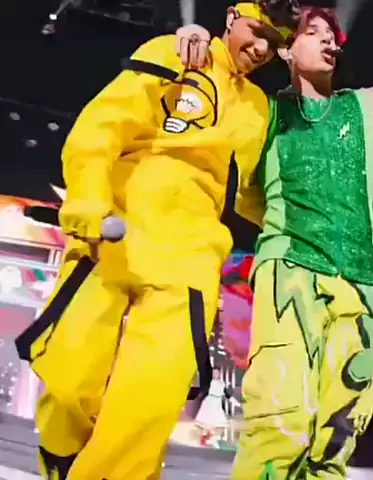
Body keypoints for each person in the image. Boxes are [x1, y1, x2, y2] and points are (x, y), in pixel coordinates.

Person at [176, 1, 373, 477]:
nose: (330, 41)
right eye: (315, 33)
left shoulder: (367, 105)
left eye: (333, 36)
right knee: (280, 421)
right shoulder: (262, 112)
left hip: (364, 284)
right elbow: (241, 191)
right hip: (290, 275)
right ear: (286, 50)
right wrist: (195, 38)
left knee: (338, 433)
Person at [14, 2, 300, 479]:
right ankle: (62, 459)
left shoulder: (258, 107)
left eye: (274, 44)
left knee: (150, 400)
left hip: (190, 255)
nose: (261, 49)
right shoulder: (175, 53)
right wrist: (87, 199)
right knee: (68, 379)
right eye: (256, 32)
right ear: (232, 17)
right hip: (116, 232)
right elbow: (103, 125)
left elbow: (250, 192)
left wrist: (300, 231)